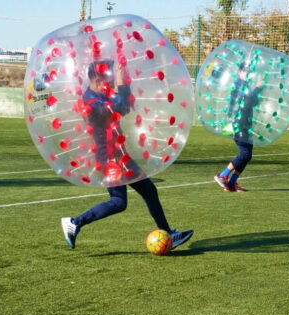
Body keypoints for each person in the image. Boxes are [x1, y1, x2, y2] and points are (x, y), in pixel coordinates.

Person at [61, 60, 194, 250]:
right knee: (118, 202)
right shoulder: (92, 101)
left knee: (148, 190)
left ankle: (168, 233)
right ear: (99, 80)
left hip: (118, 155)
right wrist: (123, 84)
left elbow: (121, 106)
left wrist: (123, 86)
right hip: (110, 159)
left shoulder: (99, 96)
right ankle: (75, 223)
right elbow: (119, 107)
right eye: (111, 80)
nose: (113, 83)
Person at [214, 62, 264, 192]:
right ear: (239, 72)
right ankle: (223, 175)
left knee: (248, 155)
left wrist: (259, 90)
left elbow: (253, 102)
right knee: (245, 153)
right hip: (239, 123)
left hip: (246, 123)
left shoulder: (245, 85)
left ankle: (232, 183)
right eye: (246, 71)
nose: (248, 73)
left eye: (249, 71)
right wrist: (258, 88)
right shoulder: (239, 84)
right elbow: (246, 102)